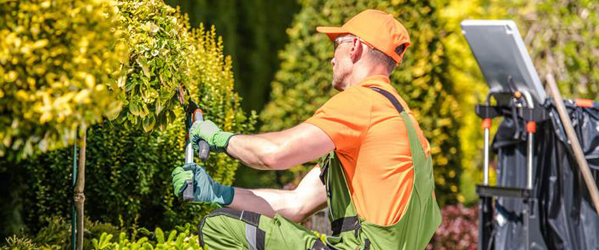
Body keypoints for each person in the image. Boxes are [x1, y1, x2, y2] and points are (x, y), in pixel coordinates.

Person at [171, 9, 441, 250]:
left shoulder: (363, 103)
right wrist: (216, 192)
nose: (332, 58)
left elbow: (274, 154)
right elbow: (296, 204)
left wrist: (219, 138)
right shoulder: (402, 120)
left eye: (336, 45)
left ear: (355, 47)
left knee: (219, 228)